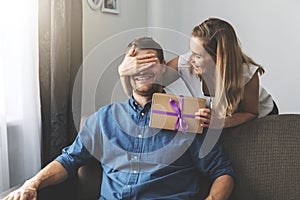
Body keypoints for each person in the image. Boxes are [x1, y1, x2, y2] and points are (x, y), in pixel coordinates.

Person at [4, 37, 234, 200]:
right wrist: (32, 183)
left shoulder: (190, 117)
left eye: (150, 63)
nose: (141, 69)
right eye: (134, 64)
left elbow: (222, 171)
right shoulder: (103, 119)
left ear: (164, 69)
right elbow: (68, 160)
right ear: (125, 70)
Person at [118, 18, 279, 129]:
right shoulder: (185, 62)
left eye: (198, 55)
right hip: (220, 116)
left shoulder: (246, 74)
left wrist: (221, 123)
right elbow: (144, 94)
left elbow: (251, 112)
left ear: (219, 59)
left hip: (258, 116)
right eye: (191, 51)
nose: (190, 59)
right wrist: (124, 73)